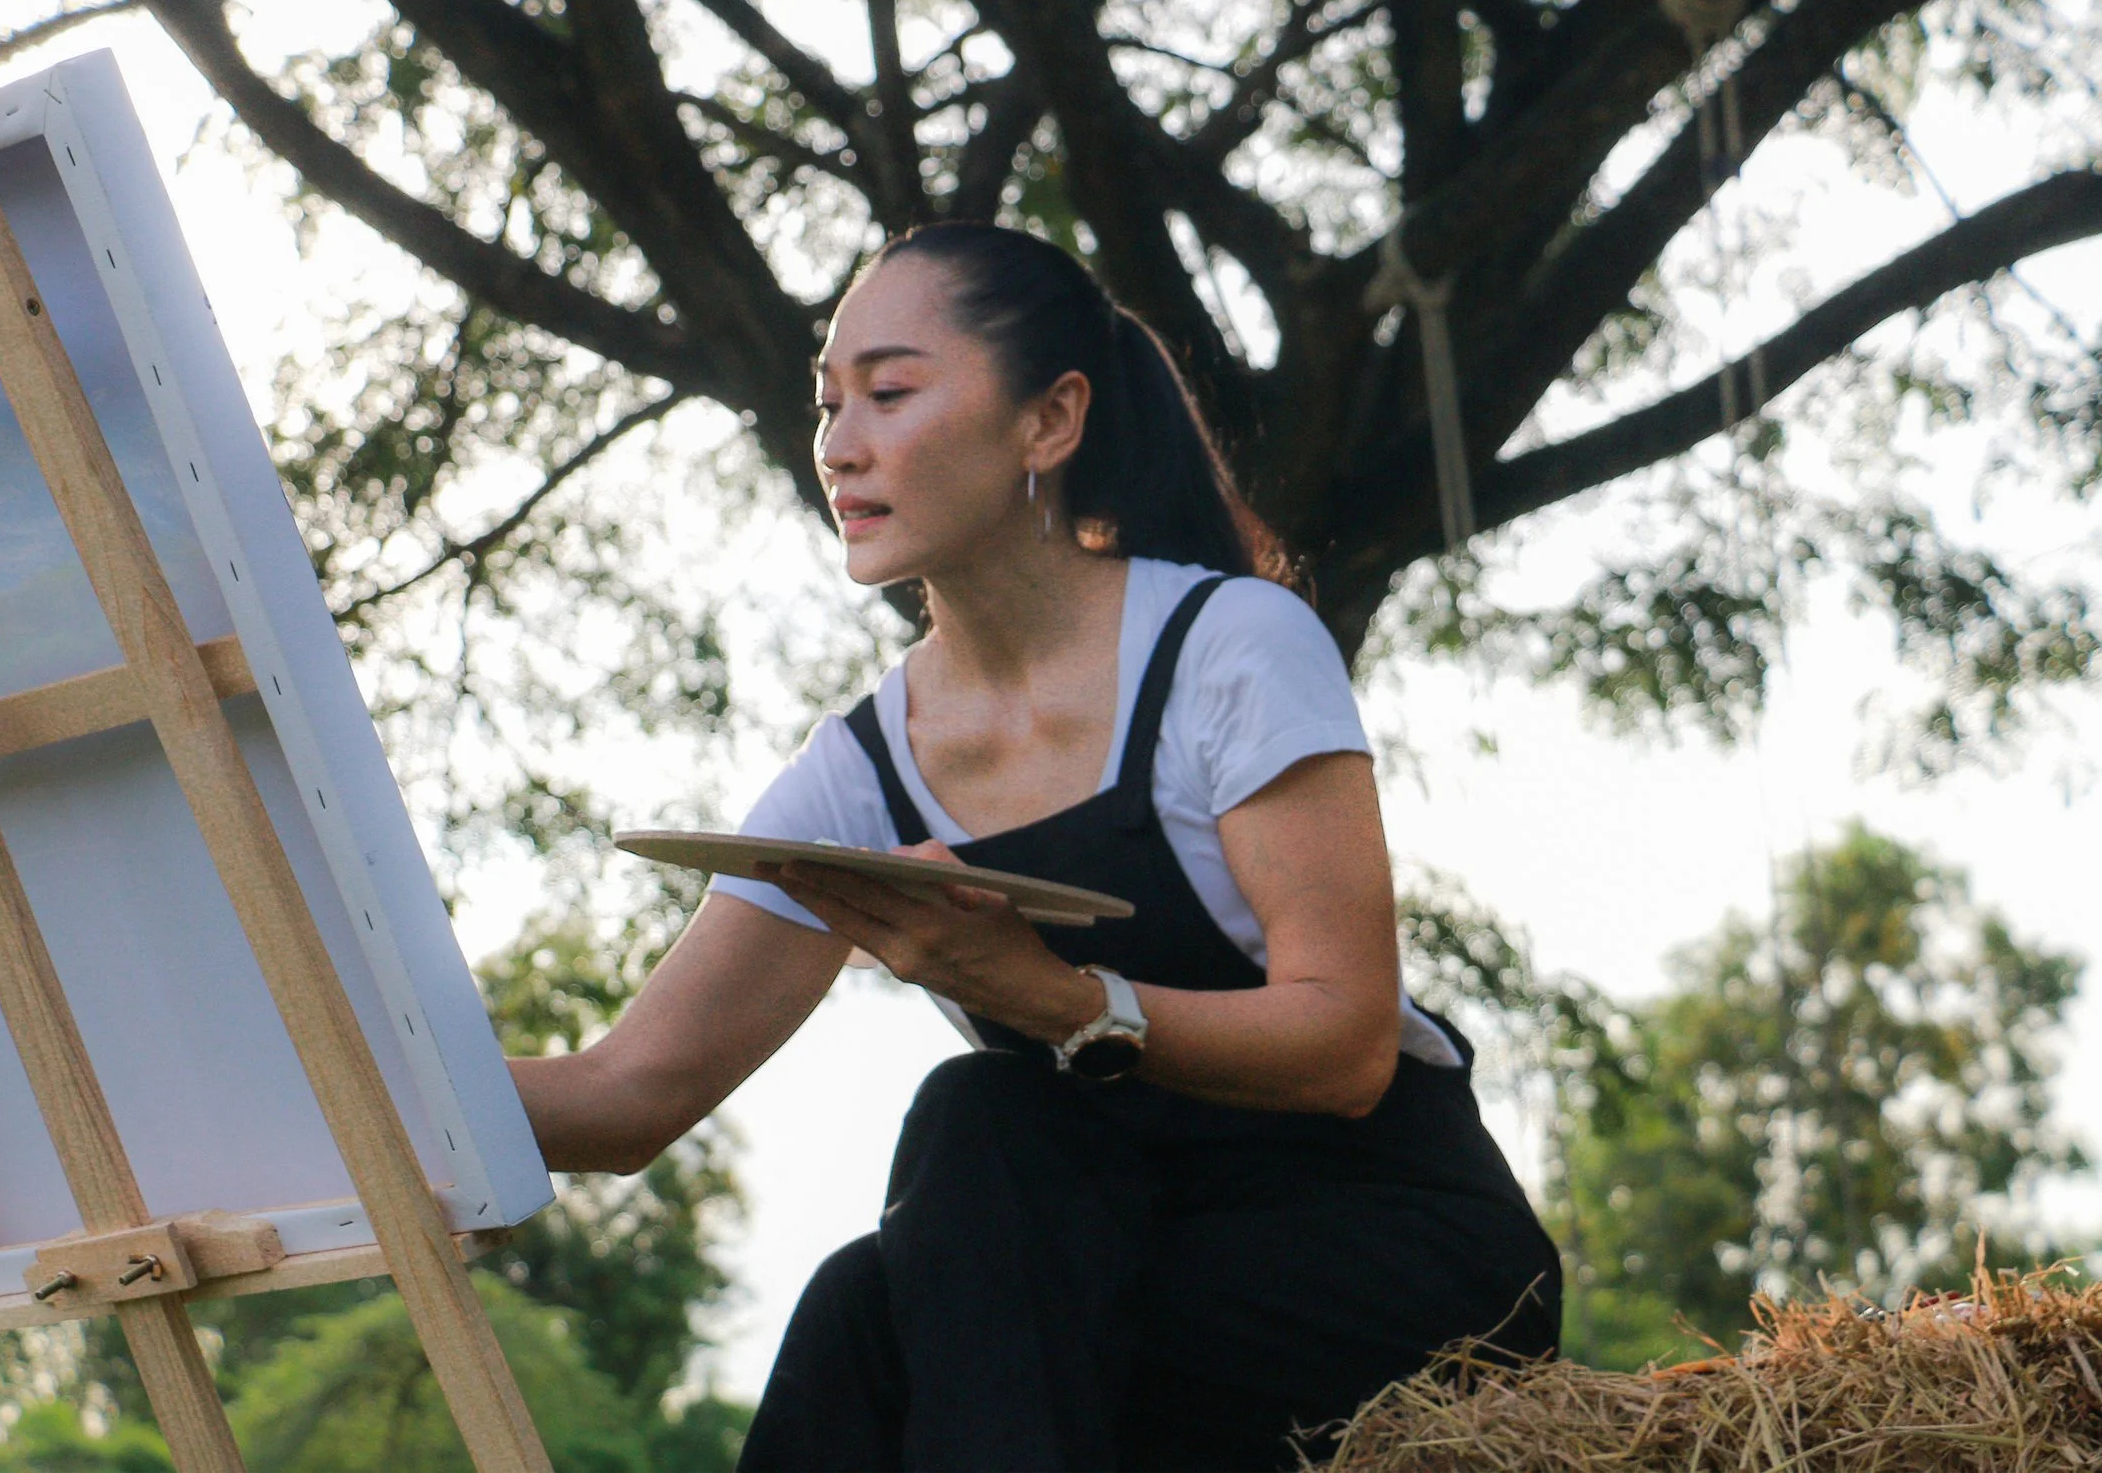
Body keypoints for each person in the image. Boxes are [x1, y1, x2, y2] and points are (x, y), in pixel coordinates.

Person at [507, 222, 1560, 1470]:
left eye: (889, 392)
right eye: (827, 403)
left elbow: (1345, 1048)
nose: (839, 443)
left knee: (979, 1122)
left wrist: (1051, 998)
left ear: (1049, 421)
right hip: (1100, 1263)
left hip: (1390, 1260)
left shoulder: (1230, 645)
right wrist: (314, 1082)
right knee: (869, 1296)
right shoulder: (861, 766)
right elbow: (626, 1097)